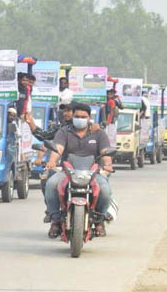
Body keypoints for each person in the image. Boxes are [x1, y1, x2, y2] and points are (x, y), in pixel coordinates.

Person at [42, 102, 113, 238]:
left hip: (93, 172)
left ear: (89, 118)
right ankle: (55, 220)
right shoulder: (64, 132)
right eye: (77, 116)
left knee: (105, 190)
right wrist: (52, 161)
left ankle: (99, 220)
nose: (80, 119)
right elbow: (58, 148)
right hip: (67, 172)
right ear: (72, 117)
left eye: (83, 116)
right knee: (51, 184)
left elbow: (105, 152)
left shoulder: (98, 133)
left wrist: (108, 164)